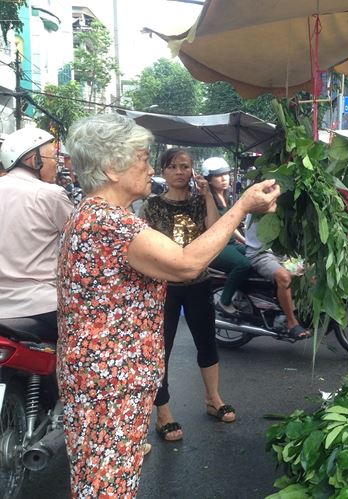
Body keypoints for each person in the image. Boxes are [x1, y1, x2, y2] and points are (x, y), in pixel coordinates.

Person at [57, 113, 280, 498]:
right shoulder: (111, 223)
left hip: (102, 378)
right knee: (105, 486)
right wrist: (242, 206)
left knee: (102, 476)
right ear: (112, 167)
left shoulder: (96, 215)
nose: (150, 167)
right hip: (110, 383)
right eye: (143, 158)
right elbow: (186, 264)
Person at [139, 148, 238, 443]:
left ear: (192, 171)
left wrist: (207, 195)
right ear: (164, 172)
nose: (180, 172)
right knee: (162, 350)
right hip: (164, 288)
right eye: (173, 167)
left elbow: (214, 229)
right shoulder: (152, 206)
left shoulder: (198, 202)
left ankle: (213, 398)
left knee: (206, 341)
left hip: (198, 283)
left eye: (185, 166)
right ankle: (164, 413)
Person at [0, 127, 73, 340]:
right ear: (34, 160)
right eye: (53, 158)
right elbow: (80, 239)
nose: (56, 164)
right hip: (40, 306)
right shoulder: (50, 194)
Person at [244, 216, 311, 340]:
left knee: (311, 270)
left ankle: (299, 311)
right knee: (284, 277)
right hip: (261, 254)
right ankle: (292, 322)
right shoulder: (261, 202)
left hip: (282, 254)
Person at [203, 157, 252, 315]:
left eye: (226, 174)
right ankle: (224, 302)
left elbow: (230, 226)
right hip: (217, 248)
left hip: (230, 244)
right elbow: (211, 227)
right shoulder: (208, 201)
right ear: (209, 180)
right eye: (218, 176)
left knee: (255, 255)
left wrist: (245, 241)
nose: (224, 178)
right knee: (243, 264)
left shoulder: (226, 197)